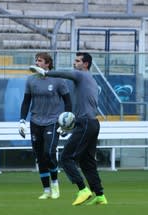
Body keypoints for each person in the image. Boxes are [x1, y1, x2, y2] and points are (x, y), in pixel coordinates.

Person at [29, 52, 108, 206]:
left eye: (78, 61)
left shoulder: (82, 75)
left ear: (85, 64)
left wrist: (46, 72)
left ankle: (82, 189)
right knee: (87, 162)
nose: (74, 63)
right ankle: (99, 195)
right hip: (92, 124)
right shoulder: (90, 79)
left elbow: (65, 74)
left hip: (85, 123)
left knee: (66, 157)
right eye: (74, 60)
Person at [19, 52, 72, 199]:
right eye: (36, 60)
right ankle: (46, 190)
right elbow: (26, 102)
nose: (36, 63)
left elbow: (68, 102)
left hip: (53, 121)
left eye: (40, 61)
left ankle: (55, 184)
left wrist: (66, 122)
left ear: (48, 63)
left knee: (49, 153)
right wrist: (22, 120)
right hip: (35, 121)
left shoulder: (58, 80)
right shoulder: (31, 80)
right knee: (40, 157)